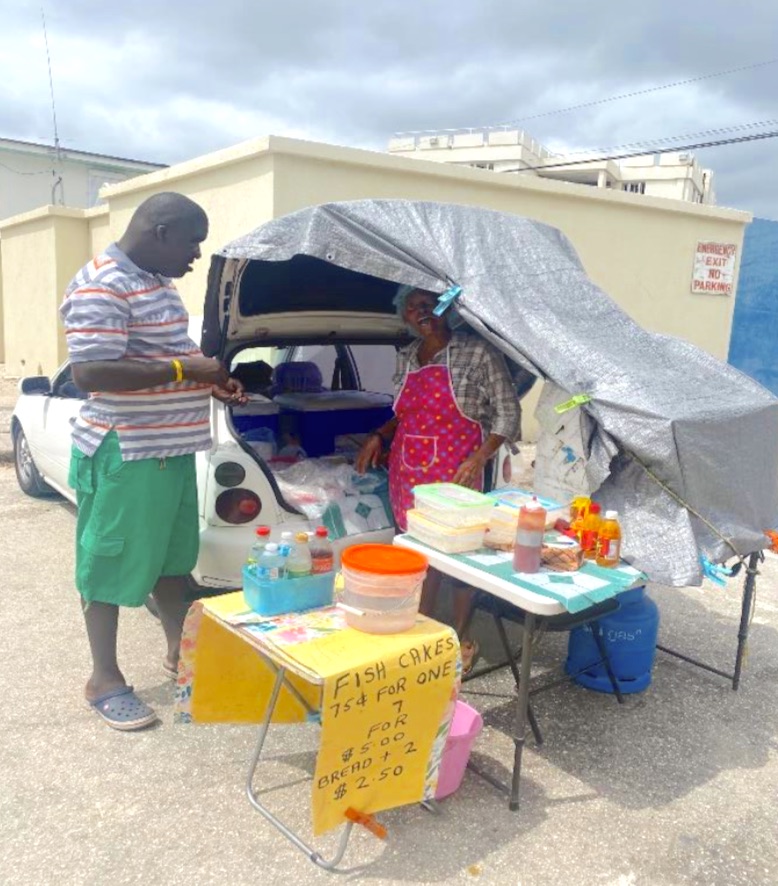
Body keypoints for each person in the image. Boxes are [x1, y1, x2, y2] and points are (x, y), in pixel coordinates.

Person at [60, 191, 246, 731]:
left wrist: (212, 382)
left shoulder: (156, 284)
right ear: (160, 231)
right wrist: (189, 372)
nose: (195, 255)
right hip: (127, 452)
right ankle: (104, 679)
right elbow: (91, 373)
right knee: (109, 567)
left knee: (172, 563)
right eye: (193, 242)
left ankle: (178, 655)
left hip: (168, 450)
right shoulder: (103, 283)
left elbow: (165, 362)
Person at [356, 285, 521, 671]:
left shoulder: (476, 351)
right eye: (412, 308)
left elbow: (508, 413)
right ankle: (421, 632)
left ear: (446, 308)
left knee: (460, 556)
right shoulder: (407, 357)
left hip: (456, 470)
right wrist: (380, 434)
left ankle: (460, 637)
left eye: (428, 304)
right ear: (404, 317)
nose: (420, 312)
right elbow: (406, 412)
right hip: (407, 471)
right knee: (418, 555)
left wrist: (480, 459)